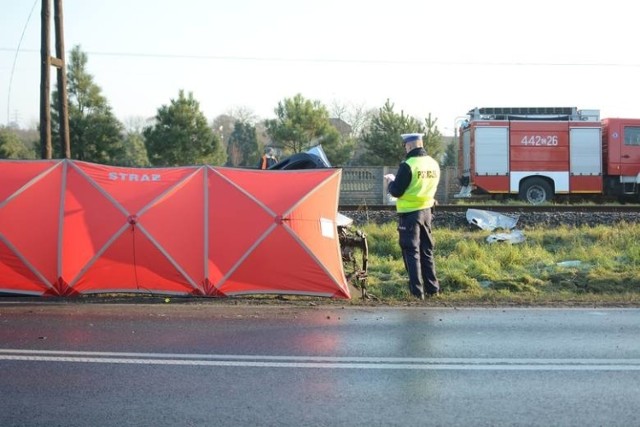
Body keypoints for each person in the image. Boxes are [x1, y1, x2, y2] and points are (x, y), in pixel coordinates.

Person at [384, 133, 441, 300]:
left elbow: (396, 191)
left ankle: (417, 292)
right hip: (427, 212)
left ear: (408, 146)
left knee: (411, 251)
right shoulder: (433, 163)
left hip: (410, 214)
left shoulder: (408, 165)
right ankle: (433, 289)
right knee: (426, 250)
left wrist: (390, 183)